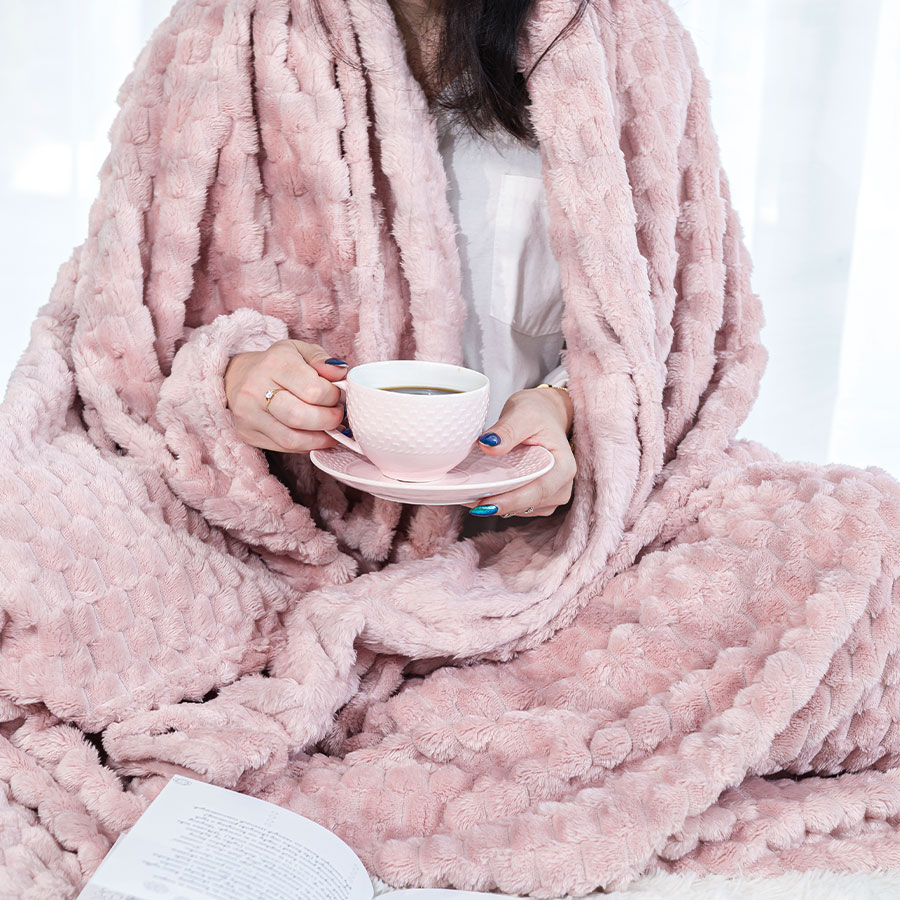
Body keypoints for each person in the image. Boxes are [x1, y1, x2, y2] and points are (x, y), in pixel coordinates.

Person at [223, 0, 578, 522]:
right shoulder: (227, 35)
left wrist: (563, 404)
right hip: (284, 513)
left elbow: (675, 335)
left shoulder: (621, 51)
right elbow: (127, 341)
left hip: (534, 534)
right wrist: (231, 375)